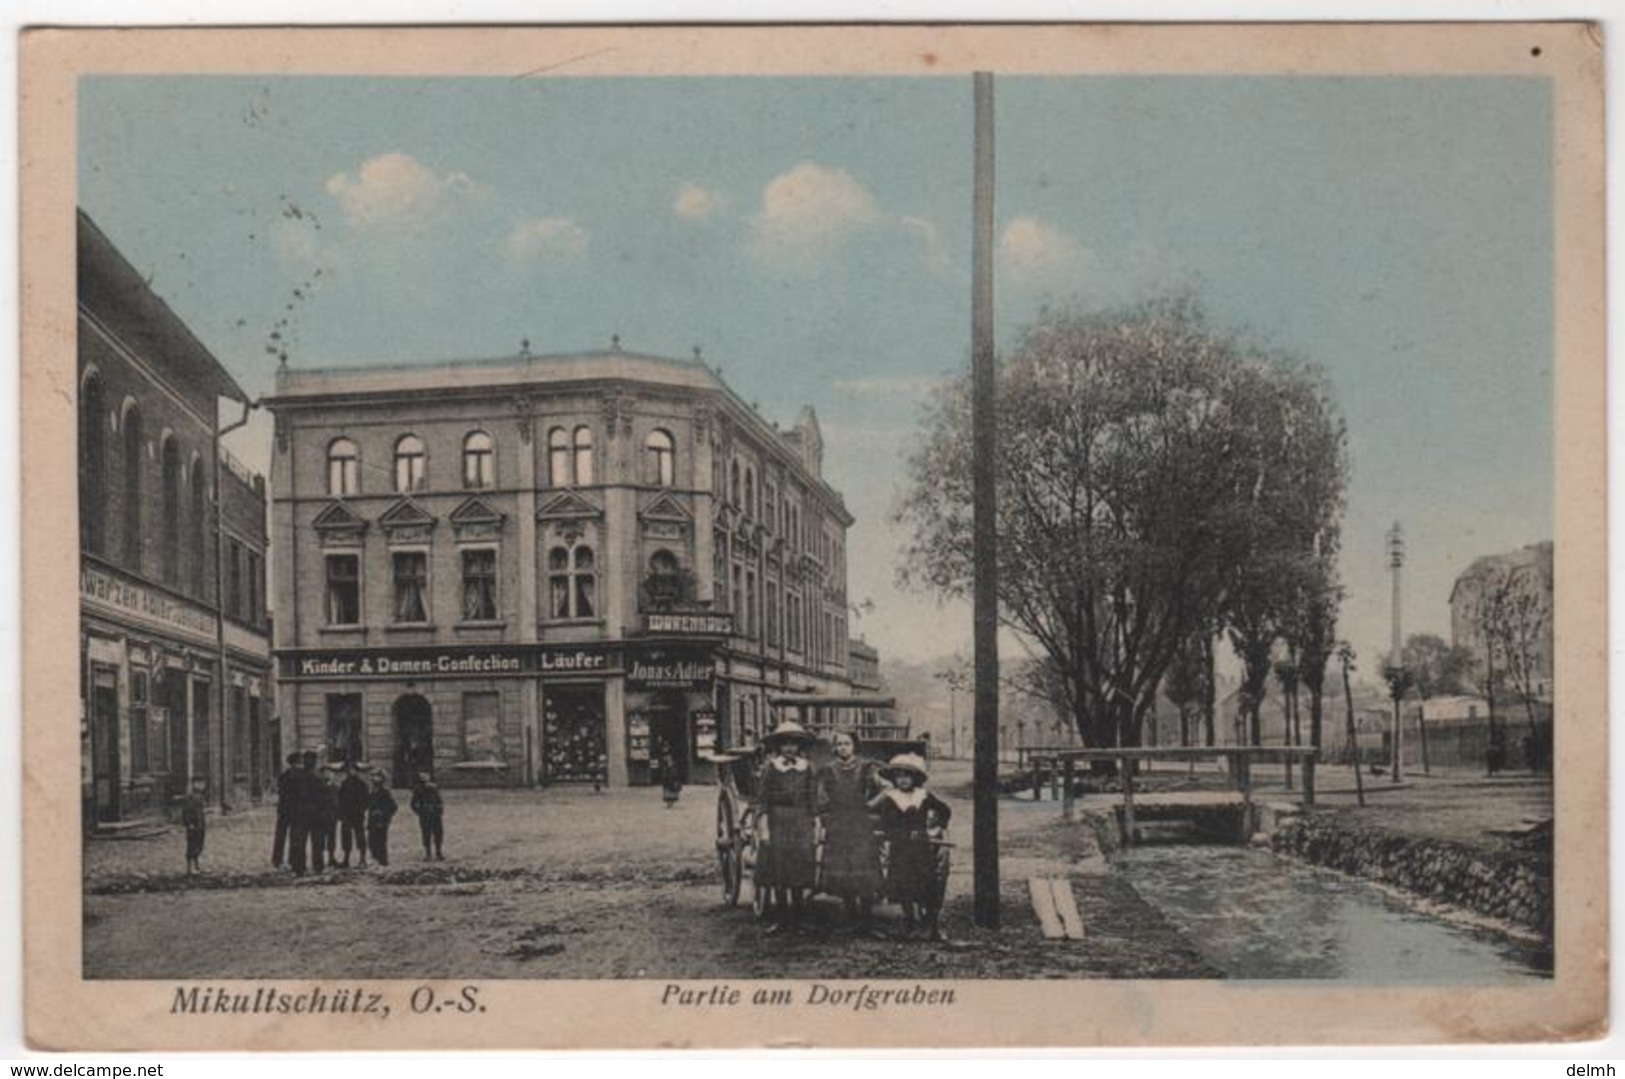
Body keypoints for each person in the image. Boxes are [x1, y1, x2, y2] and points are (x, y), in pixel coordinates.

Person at [871, 753, 952, 941]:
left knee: (925, 883)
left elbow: (944, 809)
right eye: (899, 776)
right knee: (903, 885)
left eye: (907, 776)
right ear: (894, 779)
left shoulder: (922, 795)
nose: (903, 780)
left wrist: (936, 826)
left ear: (915, 778)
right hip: (901, 848)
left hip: (921, 848)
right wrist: (893, 832)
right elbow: (884, 821)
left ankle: (929, 922)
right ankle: (908, 921)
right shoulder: (891, 798)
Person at [754, 720, 820, 933]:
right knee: (779, 870)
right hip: (778, 820)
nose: (790, 748)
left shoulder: (807, 768)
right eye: (785, 744)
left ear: (800, 746)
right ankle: (782, 920)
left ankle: (799, 920)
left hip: (801, 821)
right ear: (779, 747)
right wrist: (764, 826)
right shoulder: (771, 768)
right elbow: (762, 799)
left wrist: (816, 823)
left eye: (794, 744)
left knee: (798, 869)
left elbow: (813, 798)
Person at [816, 731, 884, 924]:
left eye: (847, 743)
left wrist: (871, 804)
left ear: (854, 746)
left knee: (865, 868)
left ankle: (866, 918)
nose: (843, 747)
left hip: (861, 823)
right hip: (838, 823)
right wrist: (825, 810)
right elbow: (820, 795)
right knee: (844, 869)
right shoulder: (827, 769)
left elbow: (885, 788)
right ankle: (851, 915)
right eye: (839, 744)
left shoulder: (867, 767)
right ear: (835, 748)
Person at [286, 751, 323, 876]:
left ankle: (299, 868)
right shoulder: (318, 777)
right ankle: (318, 867)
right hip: (315, 814)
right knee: (316, 842)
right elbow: (324, 797)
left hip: (301, 813)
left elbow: (290, 796)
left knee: (300, 841)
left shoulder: (295, 777)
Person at [337, 763, 370, 868]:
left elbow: (366, 800)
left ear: (357, 771)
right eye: (348, 769)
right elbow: (340, 799)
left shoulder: (362, 784)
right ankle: (346, 859)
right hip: (346, 815)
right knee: (346, 837)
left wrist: (361, 810)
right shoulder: (344, 783)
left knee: (360, 836)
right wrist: (341, 813)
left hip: (358, 815)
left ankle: (362, 859)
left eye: (352, 769)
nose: (350, 771)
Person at [271, 751, 300, 869]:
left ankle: (277, 859)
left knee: (281, 835)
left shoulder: (284, 775)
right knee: (294, 836)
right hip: (295, 810)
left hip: (283, 809)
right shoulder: (299, 777)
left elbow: (281, 791)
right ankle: (293, 859)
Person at [410, 772, 444, 860]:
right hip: (425, 815)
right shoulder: (418, 789)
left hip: (435, 814)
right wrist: (420, 812)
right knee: (426, 834)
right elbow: (413, 804)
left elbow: (439, 800)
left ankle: (438, 852)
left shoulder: (434, 788)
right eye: (423, 777)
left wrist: (439, 810)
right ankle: (428, 853)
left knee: (438, 833)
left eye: (426, 777)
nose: (425, 779)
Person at [366, 772, 397, 867]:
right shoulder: (371, 792)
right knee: (371, 840)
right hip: (372, 819)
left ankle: (383, 861)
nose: (374, 778)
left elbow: (393, 806)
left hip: (382, 820)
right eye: (373, 776)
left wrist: (383, 813)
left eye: (377, 777)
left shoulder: (385, 792)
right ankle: (374, 858)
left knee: (381, 840)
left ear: (382, 779)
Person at [181, 776, 207, 875]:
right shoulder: (190, 797)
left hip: (200, 825)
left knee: (199, 845)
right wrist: (189, 823)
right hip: (193, 826)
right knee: (191, 846)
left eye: (203, 784)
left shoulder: (200, 796)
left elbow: (200, 812)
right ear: (194, 784)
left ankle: (197, 866)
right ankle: (189, 869)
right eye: (199, 783)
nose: (202, 786)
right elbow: (186, 811)